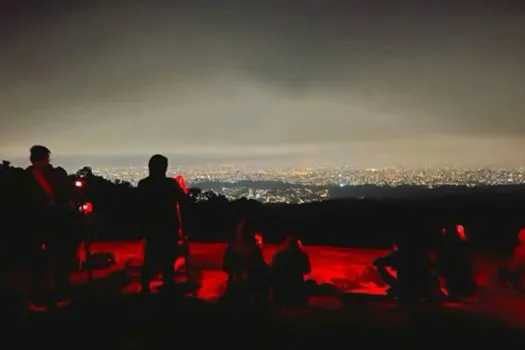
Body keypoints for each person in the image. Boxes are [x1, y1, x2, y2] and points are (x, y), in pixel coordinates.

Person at [24, 145, 77, 311]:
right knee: (59, 261)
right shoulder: (57, 175)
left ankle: (39, 298)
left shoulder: (26, 178)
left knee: (39, 265)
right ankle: (62, 295)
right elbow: (67, 196)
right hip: (57, 224)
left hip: (36, 227)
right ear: (46, 158)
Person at [137, 154, 188, 294]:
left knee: (150, 258)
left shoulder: (144, 184)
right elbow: (183, 201)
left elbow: (138, 206)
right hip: (168, 227)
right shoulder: (170, 184)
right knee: (168, 260)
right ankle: (168, 289)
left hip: (151, 227)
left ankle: (145, 289)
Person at [373, 237, 437, 301]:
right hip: (422, 289)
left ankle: (400, 289)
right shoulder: (421, 254)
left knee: (380, 266)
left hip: (405, 289)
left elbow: (378, 262)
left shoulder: (400, 254)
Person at [222, 220, 269, 303]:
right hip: (239, 284)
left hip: (247, 285)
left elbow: (260, 266)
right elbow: (226, 266)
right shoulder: (233, 248)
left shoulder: (234, 248)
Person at [436, 224, 477, 299]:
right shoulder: (446, 247)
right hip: (450, 264)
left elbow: (465, 247)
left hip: (457, 264)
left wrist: (462, 235)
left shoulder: (459, 247)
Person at [271, 237, 311, 306]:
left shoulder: (278, 255)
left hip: (280, 292)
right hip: (297, 292)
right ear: (298, 246)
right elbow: (307, 270)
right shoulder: (302, 255)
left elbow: (272, 269)